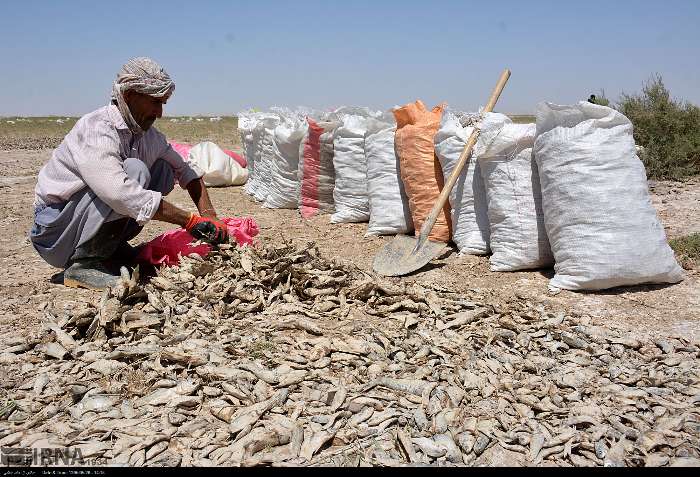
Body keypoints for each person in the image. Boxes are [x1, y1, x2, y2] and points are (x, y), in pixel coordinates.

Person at [30, 57, 229, 291]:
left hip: (81, 221)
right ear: (129, 96)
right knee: (135, 171)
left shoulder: (150, 137)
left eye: (163, 103)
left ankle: (108, 250)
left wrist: (210, 215)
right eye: (155, 102)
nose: (160, 112)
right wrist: (190, 221)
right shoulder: (97, 128)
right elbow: (119, 192)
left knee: (163, 168)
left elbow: (187, 172)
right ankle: (83, 264)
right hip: (56, 231)